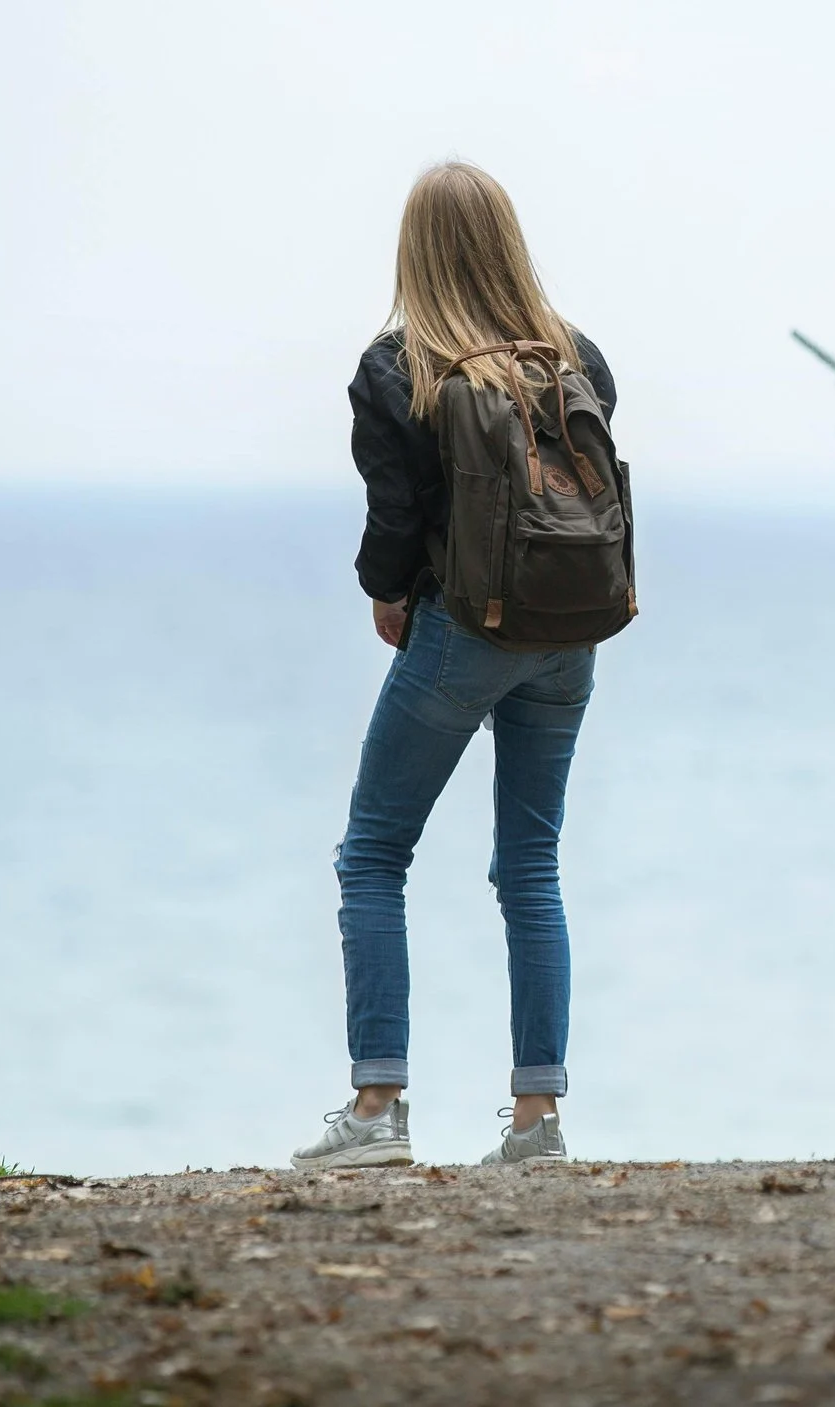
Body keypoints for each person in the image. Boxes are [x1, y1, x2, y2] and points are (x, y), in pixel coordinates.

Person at [293, 162, 618, 1171]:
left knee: (373, 855)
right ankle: (538, 1124)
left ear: (414, 250)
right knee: (530, 864)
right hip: (568, 637)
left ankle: (377, 1111)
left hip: (460, 635)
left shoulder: (400, 367)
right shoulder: (579, 356)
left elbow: (397, 518)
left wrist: (385, 594)